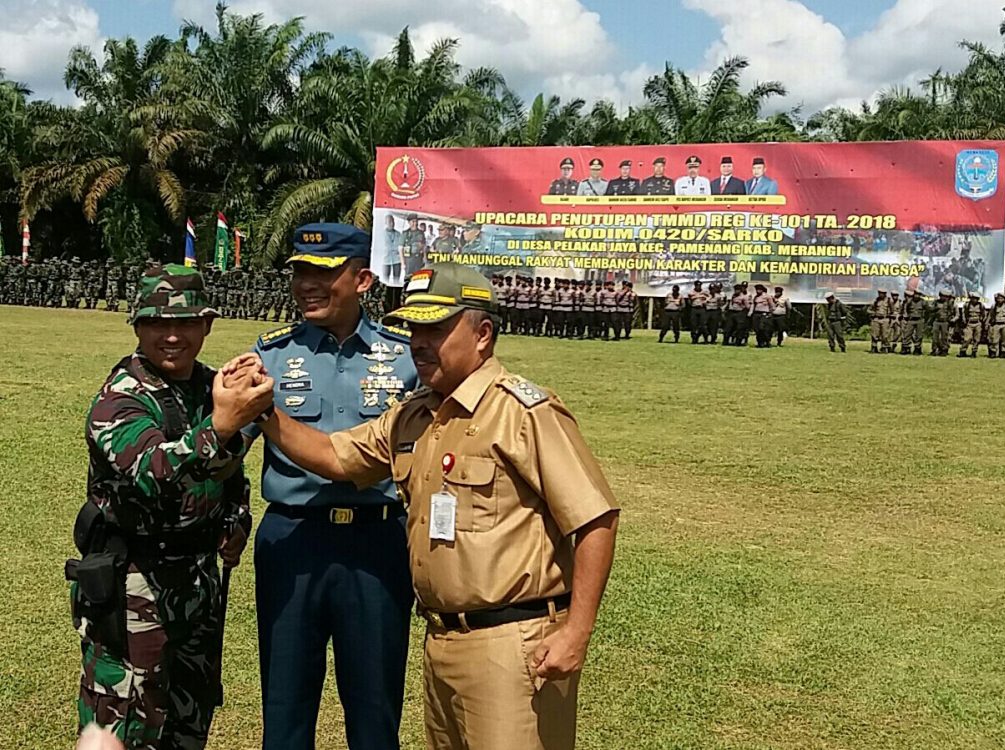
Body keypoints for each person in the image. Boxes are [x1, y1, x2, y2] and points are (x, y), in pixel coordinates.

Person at [226, 262, 620, 750]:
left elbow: (596, 518)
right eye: (414, 328)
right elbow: (334, 456)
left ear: (483, 334)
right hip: (442, 643)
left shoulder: (522, 413)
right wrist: (264, 409)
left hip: (515, 643)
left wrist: (576, 632)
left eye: (436, 329)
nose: (419, 342)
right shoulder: (414, 416)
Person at [242, 225, 418, 750]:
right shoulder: (269, 356)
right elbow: (229, 450)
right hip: (293, 541)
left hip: (377, 545)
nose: (306, 285)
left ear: (363, 279)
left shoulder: (406, 358)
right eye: (299, 272)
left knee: (374, 709)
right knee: (286, 705)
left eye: (322, 273)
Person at [73, 265, 260, 749]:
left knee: (187, 717)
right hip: (136, 584)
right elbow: (151, 469)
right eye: (157, 323)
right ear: (137, 326)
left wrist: (237, 518)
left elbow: (229, 471)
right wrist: (220, 426)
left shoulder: (212, 387)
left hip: (198, 584)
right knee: (124, 721)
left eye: (186, 323)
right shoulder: (120, 398)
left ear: (207, 325)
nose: (172, 335)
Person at [959, 291, 985, 358]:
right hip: (969, 323)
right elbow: (964, 313)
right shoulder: (967, 305)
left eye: (976, 298)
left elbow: (983, 314)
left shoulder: (981, 305)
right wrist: (964, 320)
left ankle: (974, 352)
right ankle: (963, 351)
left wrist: (982, 321)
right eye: (973, 298)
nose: (974, 300)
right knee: (967, 338)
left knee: (977, 339)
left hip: (978, 323)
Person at [748, 283, 775, 348]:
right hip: (756, 314)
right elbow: (753, 305)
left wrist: (770, 313)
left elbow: (772, 306)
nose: (757, 291)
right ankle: (760, 342)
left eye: (759, 289)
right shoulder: (756, 297)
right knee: (757, 329)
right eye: (757, 290)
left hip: (764, 314)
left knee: (762, 328)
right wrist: (750, 312)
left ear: (762, 290)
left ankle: (767, 341)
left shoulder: (767, 296)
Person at [988, 291, 1005, 358]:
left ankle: (1003, 352)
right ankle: (993, 352)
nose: (1000, 300)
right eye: (998, 298)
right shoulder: (994, 306)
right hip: (996, 324)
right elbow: (991, 315)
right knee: (994, 339)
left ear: (1004, 299)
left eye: (1001, 298)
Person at [900, 289, 925, 355]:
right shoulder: (910, 301)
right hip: (911, 320)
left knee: (919, 336)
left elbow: (927, 310)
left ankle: (917, 349)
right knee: (907, 334)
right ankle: (906, 348)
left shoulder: (923, 302)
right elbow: (907, 309)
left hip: (919, 320)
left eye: (918, 295)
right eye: (916, 294)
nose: (917, 296)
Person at [931, 289, 956, 356]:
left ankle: (944, 350)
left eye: (946, 296)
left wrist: (950, 319)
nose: (944, 298)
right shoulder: (936, 302)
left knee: (944, 337)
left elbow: (951, 312)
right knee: (935, 337)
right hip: (936, 321)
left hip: (945, 322)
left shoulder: (949, 303)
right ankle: (934, 349)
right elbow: (931, 309)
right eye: (943, 296)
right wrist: (936, 308)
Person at [868, 289, 891, 354]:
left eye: (882, 293)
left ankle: (884, 347)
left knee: (884, 335)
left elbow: (893, 310)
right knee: (875, 334)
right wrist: (873, 313)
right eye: (879, 293)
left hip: (885, 319)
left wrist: (889, 316)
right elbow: (869, 310)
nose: (881, 294)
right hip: (876, 319)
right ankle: (874, 347)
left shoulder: (889, 301)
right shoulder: (875, 301)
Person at [382, 214, 403, 285]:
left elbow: (401, 246)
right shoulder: (382, 234)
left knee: (397, 280)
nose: (392, 223)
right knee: (385, 281)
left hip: (397, 260)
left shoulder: (399, 234)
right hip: (385, 260)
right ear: (386, 223)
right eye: (389, 222)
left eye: (393, 221)